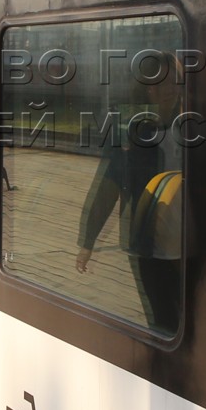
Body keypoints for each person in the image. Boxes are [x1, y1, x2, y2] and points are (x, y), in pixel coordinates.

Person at [75, 55, 184, 332]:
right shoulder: (136, 132)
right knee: (164, 321)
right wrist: (89, 240)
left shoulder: (191, 125)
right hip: (149, 245)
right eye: (164, 82)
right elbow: (110, 185)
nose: (172, 87)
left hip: (187, 243)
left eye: (175, 81)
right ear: (150, 90)